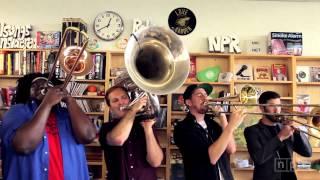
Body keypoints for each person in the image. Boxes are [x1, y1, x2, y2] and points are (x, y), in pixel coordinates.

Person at [1, 73, 97, 180]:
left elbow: (88, 136)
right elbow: (23, 146)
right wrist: (47, 103)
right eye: (35, 86)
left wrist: (70, 100)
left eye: (48, 86)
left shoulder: (67, 113)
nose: (43, 88)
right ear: (26, 92)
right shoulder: (17, 111)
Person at [173, 83, 246, 180]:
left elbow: (231, 149)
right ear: (189, 102)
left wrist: (223, 118)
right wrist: (231, 126)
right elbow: (212, 158)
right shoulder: (182, 129)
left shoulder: (214, 125)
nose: (205, 98)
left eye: (206, 95)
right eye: (199, 95)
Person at [99, 86, 163, 180]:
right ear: (110, 107)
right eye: (115, 100)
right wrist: (133, 110)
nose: (121, 102)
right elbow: (118, 139)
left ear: (130, 100)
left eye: (124, 98)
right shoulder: (106, 128)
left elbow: (156, 162)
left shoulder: (145, 125)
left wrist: (148, 130)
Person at [244, 91, 312, 180]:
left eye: (279, 105)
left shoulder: (286, 128)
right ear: (262, 107)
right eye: (272, 106)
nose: (277, 110)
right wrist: (280, 137)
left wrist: (298, 132)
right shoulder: (252, 131)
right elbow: (258, 158)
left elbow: (307, 153)